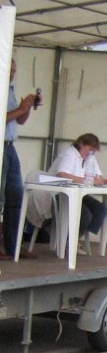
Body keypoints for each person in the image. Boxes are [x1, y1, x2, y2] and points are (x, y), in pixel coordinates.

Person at [48, 133, 107, 255]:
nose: (91, 153)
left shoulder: (90, 158)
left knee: (101, 209)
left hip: (78, 193)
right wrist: (86, 180)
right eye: (89, 150)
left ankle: (75, 238)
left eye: (93, 151)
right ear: (81, 144)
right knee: (85, 215)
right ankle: (70, 241)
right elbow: (62, 174)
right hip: (60, 194)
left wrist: (105, 181)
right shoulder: (70, 154)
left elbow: (97, 176)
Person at [1, 59, 39, 260]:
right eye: (10, 70)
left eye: (14, 71)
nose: (12, 74)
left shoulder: (10, 89)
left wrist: (28, 108)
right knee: (2, 197)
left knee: (15, 197)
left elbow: (18, 119)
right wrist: (21, 109)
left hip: (10, 146)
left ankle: (13, 246)